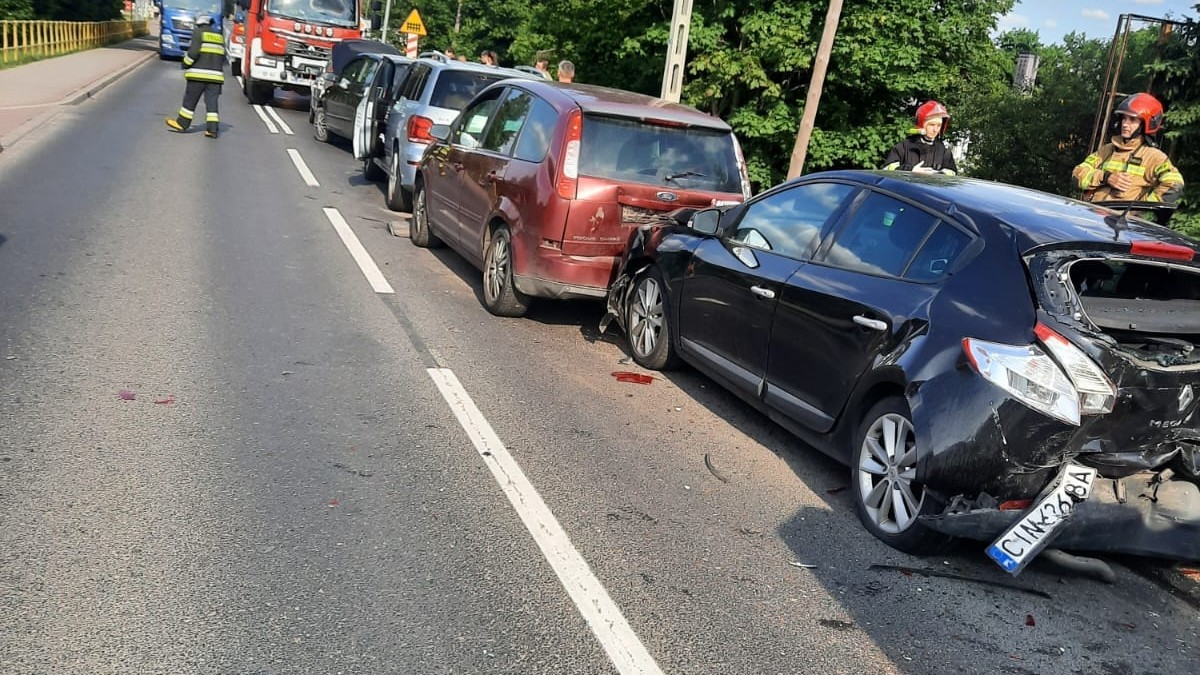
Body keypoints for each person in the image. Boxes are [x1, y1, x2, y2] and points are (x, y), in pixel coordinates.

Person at [1072, 92, 1184, 204]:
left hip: (1121, 219)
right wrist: (1105, 177)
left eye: (1132, 120)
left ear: (1146, 124)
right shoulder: (1106, 150)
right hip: (1091, 215)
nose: (1125, 124)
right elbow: (1077, 175)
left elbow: (1175, 184)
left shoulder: (1153, 156)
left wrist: (1142, 208)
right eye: (1124, 118)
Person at [165, 14, 225, 138]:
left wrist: (185, 64)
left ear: (199, 23)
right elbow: (222, 57)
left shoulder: (198, 33)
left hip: (198, 75)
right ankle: (212, 130)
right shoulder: (219, 36)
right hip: (216, 77)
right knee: (212, 103)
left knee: (190, 100)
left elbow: (193, 53)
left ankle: (182, 123)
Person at [881, 100, 956, 175]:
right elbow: (887, 170)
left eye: (939, 125)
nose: (935, 130)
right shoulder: (904, 147)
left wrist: (938, 174)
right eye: (932, 125)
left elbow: (952, 173)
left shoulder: (943, 151)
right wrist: (910, 170)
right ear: (921, 124)